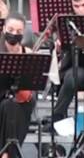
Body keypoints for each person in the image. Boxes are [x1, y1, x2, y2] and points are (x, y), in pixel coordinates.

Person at [0, 13, 36, 158]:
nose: (14, 34)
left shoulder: (27, 53)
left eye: (19, 32)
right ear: (3, 29)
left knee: (16, 105)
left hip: (18, 103)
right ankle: (8, 154)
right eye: (11, 29)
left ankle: (6, 154)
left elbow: (32, 85)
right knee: (9, 106)